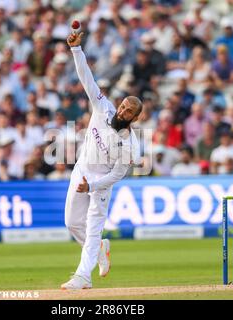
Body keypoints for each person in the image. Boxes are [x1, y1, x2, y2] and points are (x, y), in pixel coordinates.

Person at [61, 31, 142, 290]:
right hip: (82, 169)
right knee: (72, 223)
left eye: (130, 111)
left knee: (93, 229)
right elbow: (87, 79)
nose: (124, 111)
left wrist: (93, 186)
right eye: (124, 106)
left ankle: (83, 277)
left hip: (101, 184)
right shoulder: (103, 107)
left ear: (135, 118)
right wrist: (76, 49)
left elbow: (118, 175)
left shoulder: (130, 144)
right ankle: (100, 250)